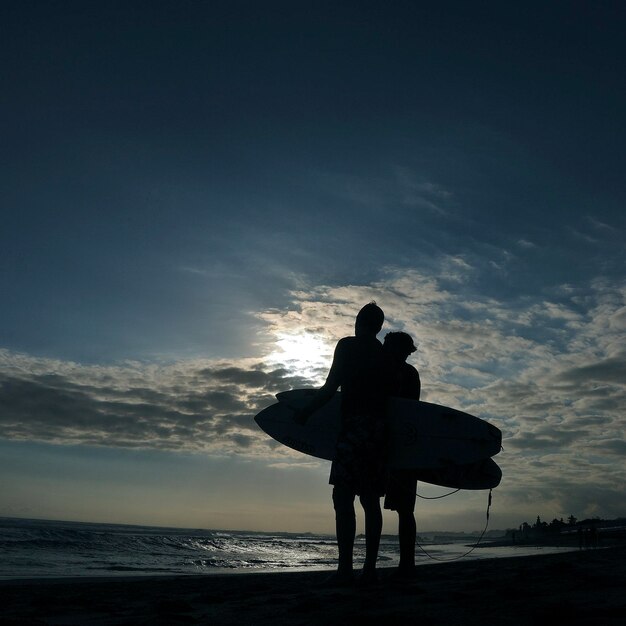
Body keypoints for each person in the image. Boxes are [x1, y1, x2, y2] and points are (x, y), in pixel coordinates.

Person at [295, 302, 389, 585]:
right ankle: (370, 569)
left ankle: (345, 569)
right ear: (379, 327)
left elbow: (329, 387)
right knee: (371, 500)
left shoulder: (347, 346)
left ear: (358, 321)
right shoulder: (385, 356)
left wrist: (305, 412)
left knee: (343, 497)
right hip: (379, 433)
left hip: (353, 430)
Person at [381, 331, 421, 578]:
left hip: (395, 447)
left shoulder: (405, 373)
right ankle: (406, 564)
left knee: (403, 508)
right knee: (401, 508)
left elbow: (409, 411)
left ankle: (407, 563)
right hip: (402, 447)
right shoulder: (409, 373)